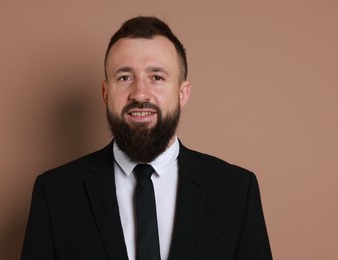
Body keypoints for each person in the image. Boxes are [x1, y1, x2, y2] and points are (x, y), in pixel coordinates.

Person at [21, 16, 272, 260]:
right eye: (125, 77)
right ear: (105, 93)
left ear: (182, 94)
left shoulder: (236, 191)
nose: (140, 93)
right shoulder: (55, 193)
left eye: (157, 77)